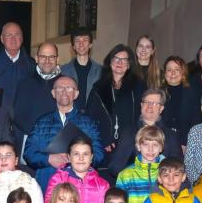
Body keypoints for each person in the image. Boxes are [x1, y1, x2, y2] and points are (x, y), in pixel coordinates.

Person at [23, 75, 104, 190]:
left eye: (69, 88)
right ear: (53, 93)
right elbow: (28, 153)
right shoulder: (41, 122)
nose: (64, 91)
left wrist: (77, 159)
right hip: (47, 183)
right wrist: (48, 159)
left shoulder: (88, 123)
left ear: (76, 94)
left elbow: (99, 154)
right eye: (60, 88)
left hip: (80, 185)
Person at [86, 44, 147, 178]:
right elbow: (90, 118)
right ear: (110, 62)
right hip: (104, 147)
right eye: (116, 58)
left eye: (124, 60)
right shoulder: (98, 87)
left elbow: (143, 116)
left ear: (129, 64)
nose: (120, 62)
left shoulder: (138, 86)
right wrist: (103, 140)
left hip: (130, 147)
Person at [44, 137, 110, 203]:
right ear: (69, 157)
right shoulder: (58, 179)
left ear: (91, 157)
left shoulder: (103, 185)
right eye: (76, 154)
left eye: (85, 154)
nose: (81, 158)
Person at [12, 43, 62, 148]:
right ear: (36, 58)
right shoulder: (24, 83)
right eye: (43, 56)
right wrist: (37, 134)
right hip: (30, 141)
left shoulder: (66, 85)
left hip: (58, 142)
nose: (47, 61)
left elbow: (72, 115)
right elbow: (18, 115)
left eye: (51, 57)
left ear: (57, 59)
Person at [116, 125, 170, 203]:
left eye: (155, 145)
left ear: (161, 148)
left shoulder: (168, 174)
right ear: (138, 146)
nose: (150, 149)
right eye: (146, 144)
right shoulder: (125, 175)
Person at [0, 22, 36, 114]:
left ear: (22, 38)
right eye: (9, 35)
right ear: (2, 39)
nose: (13, 39)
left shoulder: (31, 64)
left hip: (23, 115)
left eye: (17, 35)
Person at [61, 28, 102, 108]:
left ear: (90, 45)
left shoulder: (101, 71)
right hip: (70, 114)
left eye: (85, 40)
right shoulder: (63, 70)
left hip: (93, 113)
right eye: (77, 41)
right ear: (73, 46)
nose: (81, 44)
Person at [136, 89, 183, 158]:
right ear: (141, 105)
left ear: (161, 108)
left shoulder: (171, 136)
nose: (149, 106)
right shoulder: (127, 133)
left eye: (155, 103)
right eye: (146, 102)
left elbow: (177, 163)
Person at [161, 55, 196, 147]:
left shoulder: (192, 93)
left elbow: (195, 121)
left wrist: (185, 143)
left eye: (177, 69)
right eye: (169, 70)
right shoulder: (158, 94)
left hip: (186, 143)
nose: (173, 73)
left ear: (183, 73)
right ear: (165, 73)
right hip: (162, 142)